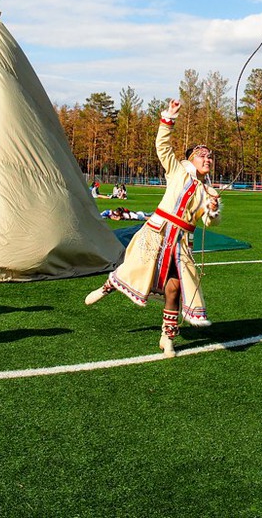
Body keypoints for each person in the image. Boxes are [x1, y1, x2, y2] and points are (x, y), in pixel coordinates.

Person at [85, 98, 221, 357]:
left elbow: (208, 221)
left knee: (175, 288)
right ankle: (106, 288)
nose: (208, 159)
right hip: (157, 231)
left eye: (211, 157)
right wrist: (168, 117)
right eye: (203, 155)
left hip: (181, 242)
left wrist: (213, 209)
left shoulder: (209, 191)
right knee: (135, 268)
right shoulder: (177, 170)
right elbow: (162, 146)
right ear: (191, 158)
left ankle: (167, 337)